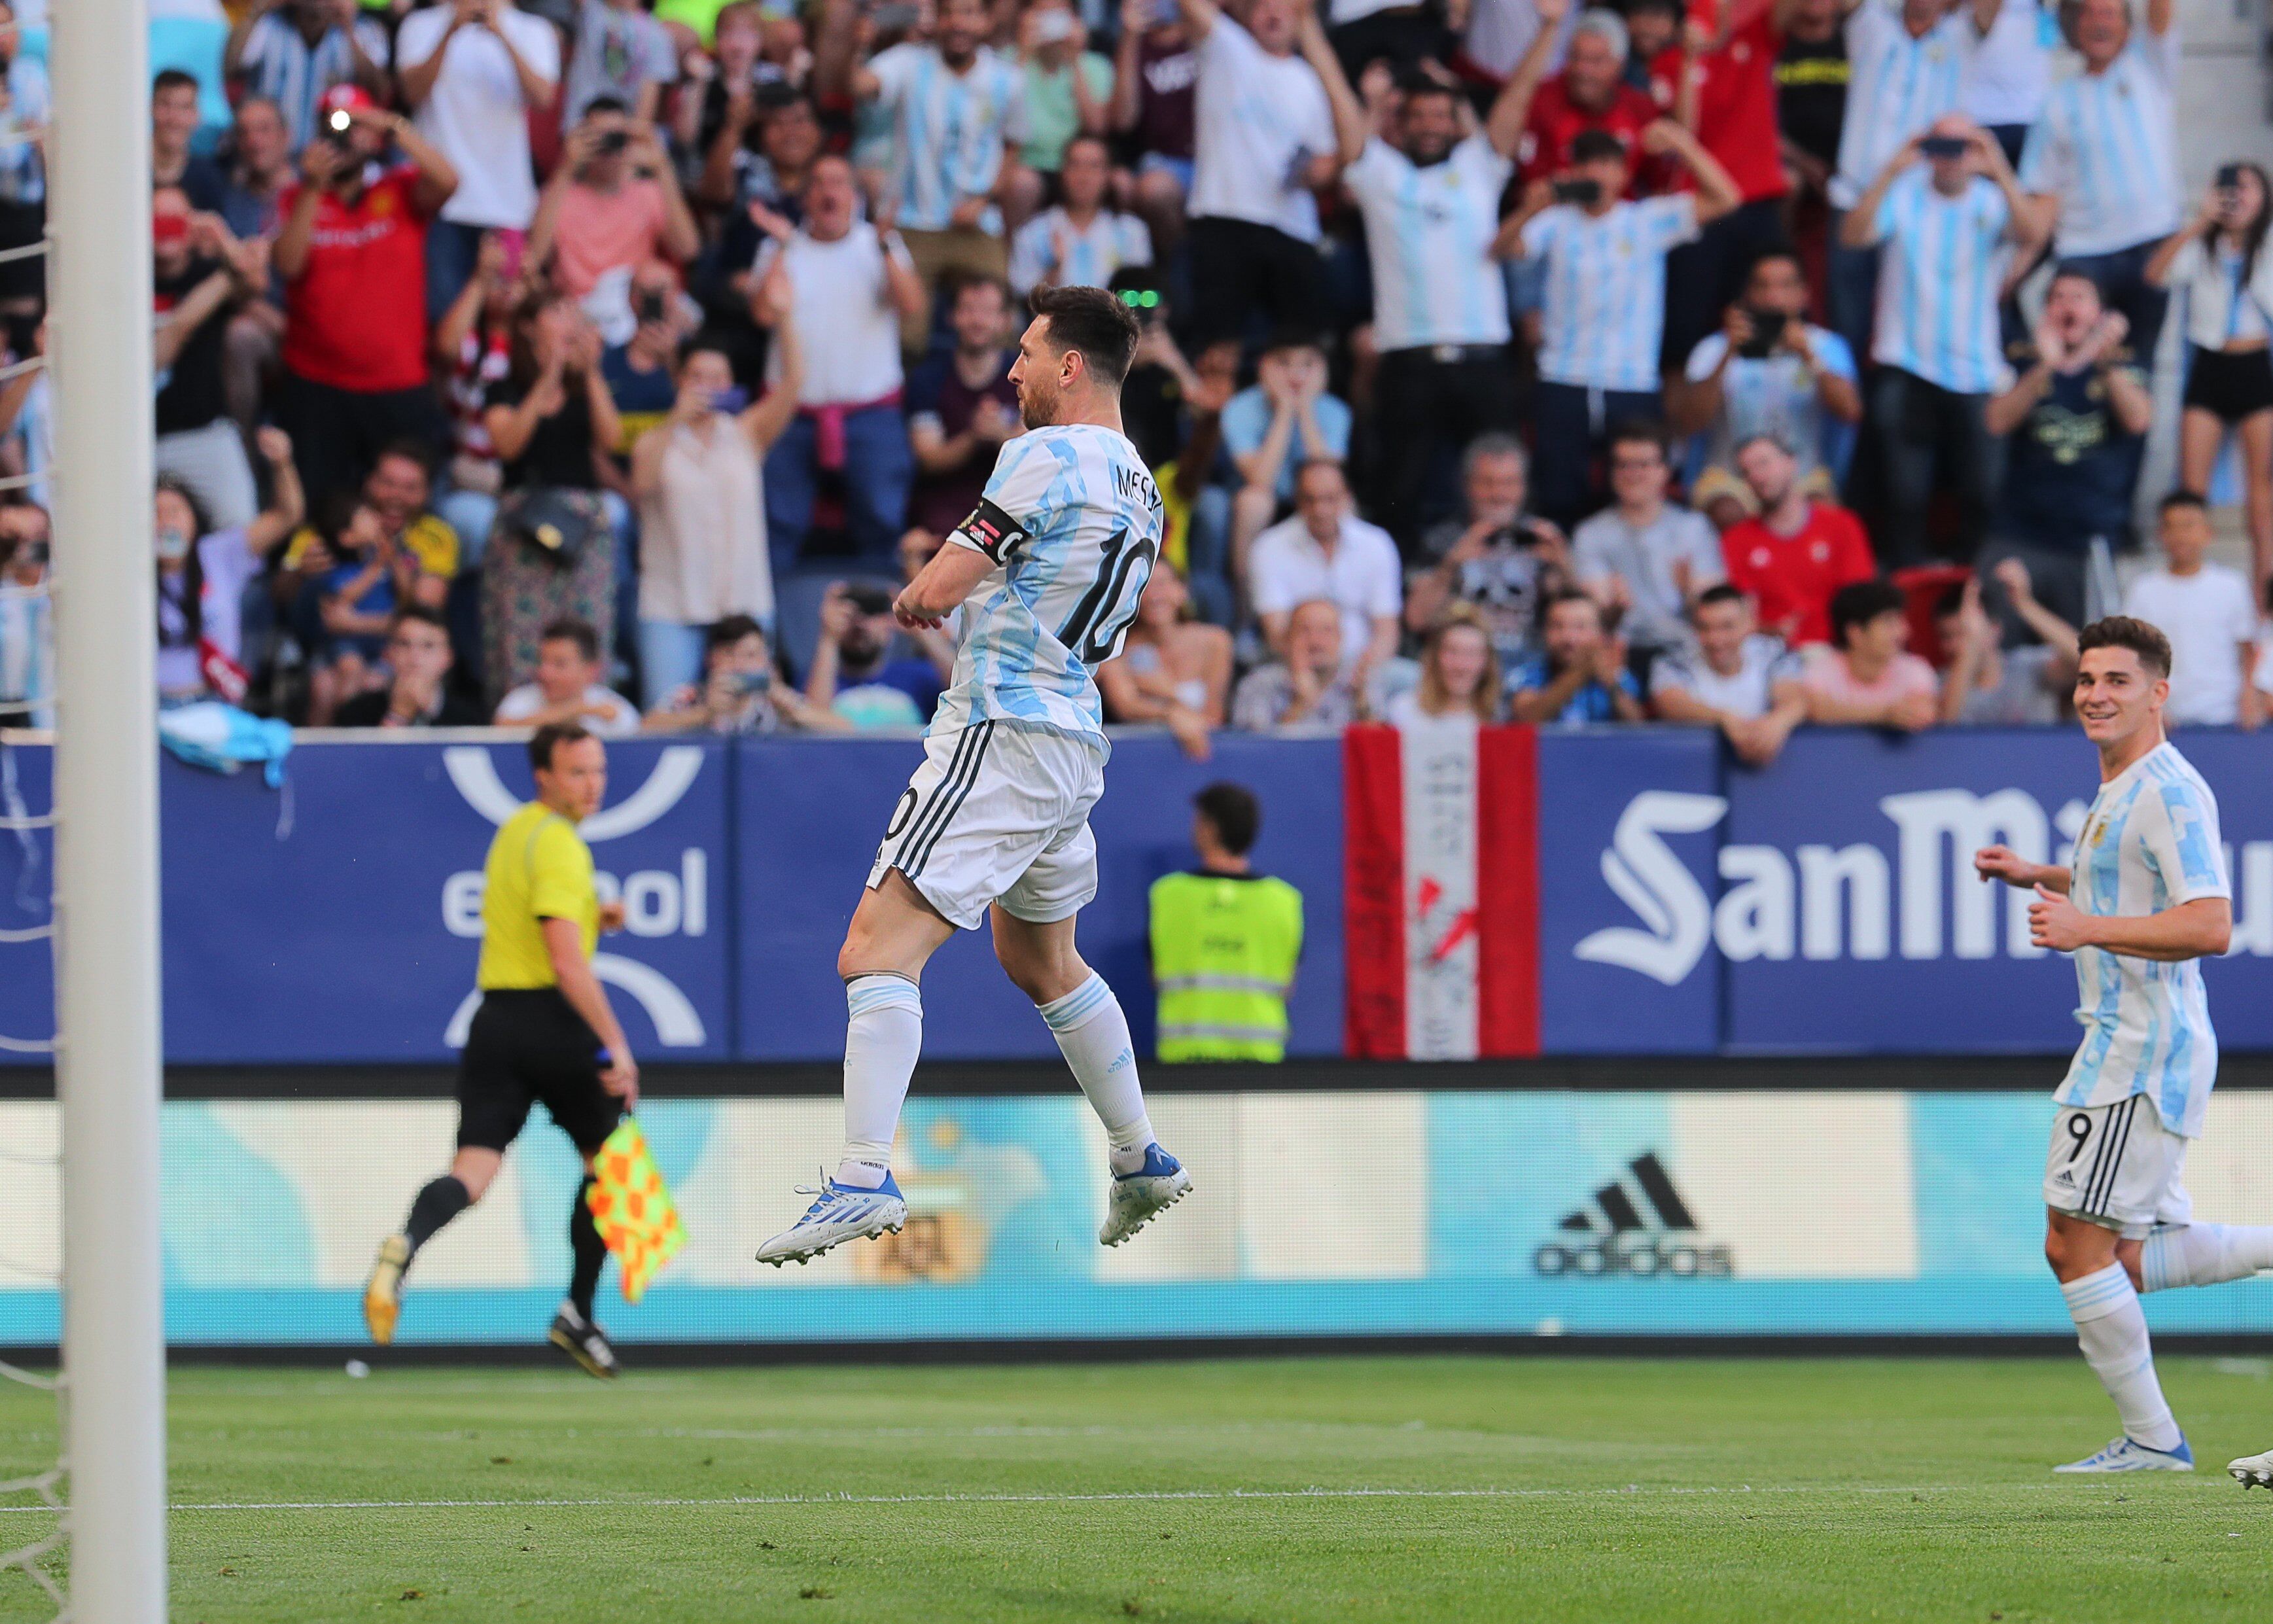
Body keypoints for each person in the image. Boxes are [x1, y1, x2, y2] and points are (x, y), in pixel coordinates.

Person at [752, 285, 1191, 1267]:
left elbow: (940, 589)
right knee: (1041, 961)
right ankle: (1138, 1153)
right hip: (1074, 736)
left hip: (1003, 727)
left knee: (873, 951)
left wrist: (913, 591)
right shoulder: (1140, 483)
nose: (1013, 370)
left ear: (1070, 366)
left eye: (1028, 352)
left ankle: (862, 1176)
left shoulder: (1042, 455)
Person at [1972, 616, 2273, 1476]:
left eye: (2117, 680)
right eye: (2086, 679)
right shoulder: (2123, 784)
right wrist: (2039, 874)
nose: (2096, 695)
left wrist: (2081, 927)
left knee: (2074, 1245)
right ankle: (2153, 1439)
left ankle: (2152, 1441)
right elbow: (2121, 882)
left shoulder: (2168, 791)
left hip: (2140, 1048)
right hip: (2135, 1043)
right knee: (2121, 1254)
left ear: (2158, 692)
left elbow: (2211, 922)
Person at [362, 722, 640, 1378]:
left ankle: (406, 1243)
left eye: (598, 770)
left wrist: (598, 916)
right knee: (614, 1169)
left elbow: (536, 917)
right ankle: (578, 1312)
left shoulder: (517, 831)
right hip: (553, 1021)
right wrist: (617, 1046)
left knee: (473, 1173)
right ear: (543, 775)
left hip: (495, 1022)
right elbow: (566, 963)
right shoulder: (563, 846)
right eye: (578, 772)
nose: (593, 784)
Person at [1320, 55, 1531, 546]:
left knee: (1501, 487)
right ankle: (1397, 605)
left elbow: (1517, 99)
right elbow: (1343, 112)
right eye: (1419, 115)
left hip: (1482, 359)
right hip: (1409, 362)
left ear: (1458, 121)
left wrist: (1546, 30)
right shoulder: (1381, 175)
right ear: (1401, 122)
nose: (1431, 125)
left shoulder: (1479, 167)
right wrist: (1312, 32)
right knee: (1398, 492)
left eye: (1442, 114)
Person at [1503, 121, 1740, 524]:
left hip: (1632, 381)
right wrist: (1528, 208)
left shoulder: (1647, 220)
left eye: (1607, 165)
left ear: (1624, 173)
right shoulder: (1555, 222)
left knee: (1637, 496)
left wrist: (1682, 143)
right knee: (1559, 495)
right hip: (1563, 377)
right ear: (1573, 172)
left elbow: (1727, 198)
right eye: (1587, 165)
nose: (1596, 174)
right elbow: (1504, 249)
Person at [1841, 115, 2035, 565]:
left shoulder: (1990, 198)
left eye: (1962, 146)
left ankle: (1970, 585)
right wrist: (1892, 168)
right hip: (1907, 363)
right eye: (1942, 145)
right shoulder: (1904, 193)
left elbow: (2031, 235)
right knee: (1904, 494)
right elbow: (1852, 236)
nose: (1951, 157)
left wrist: (1998, 166)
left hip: (1978, 370)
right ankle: (1910, 584)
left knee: (1985, 489)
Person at [273, 84, 459, 510]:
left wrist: (391, 126)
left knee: (407, 507)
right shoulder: (294, 197)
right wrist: (313, 188)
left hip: (397, 384)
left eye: (354, 125)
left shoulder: (400, 189)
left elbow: (449, 180)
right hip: (317, 387)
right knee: (320, 508)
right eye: (333, 124)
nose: (343, 135)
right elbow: (287, 265)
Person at [752, 156, 926, 571]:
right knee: (776, 528)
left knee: (883, 522)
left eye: (838, 183)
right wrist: (780, 245)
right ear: (806, 197)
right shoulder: (778, 244)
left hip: (870, 413)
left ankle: (888, 625)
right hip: (790, 415)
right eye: (818, 184)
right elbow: (762, 314)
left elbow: (912, 305)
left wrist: (885, 245)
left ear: (853, 195)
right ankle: (768, 630)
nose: (828, 192)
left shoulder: (879, 242)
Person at [821, 0, 1027, 350]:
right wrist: (860, 43)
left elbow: (1013, 146)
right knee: (905, 338)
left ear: (987, 21)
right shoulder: (909, 61)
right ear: (937, 20)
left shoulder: (1008, 80)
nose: (958, 22)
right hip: (911, 222)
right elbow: (856, 85)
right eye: (949, 13)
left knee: (1004, 331)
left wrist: (985, 200)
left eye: (970, 12)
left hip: (976, 225)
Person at [629, 332, 802, 702]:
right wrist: (676, 418)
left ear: (731, 384)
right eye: (697, 377)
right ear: (680, 381)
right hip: (672, 603)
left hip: (744, 598)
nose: (707, 387)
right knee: (666, 713)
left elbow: (793, 385)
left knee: (752, 713)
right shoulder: (654, 439)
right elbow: (641, 485)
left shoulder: (746, 432)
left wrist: (785, 319)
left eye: (717, 378)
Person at [1981, 265, 2151, 635]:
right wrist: (2045, 366)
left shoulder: (2121, 362)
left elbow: (2139, 420)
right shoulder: (2023, 362)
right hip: (2020, 533)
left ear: (2099, 313)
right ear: (2044, 313)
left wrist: (2104, 363)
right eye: (2057, 298)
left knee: (2091, 656)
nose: (2067, 307)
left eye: (2078, 297)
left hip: (2091, 541)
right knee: (1993, 639)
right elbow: (1996, 422)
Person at [1824, 0, 1992, 370]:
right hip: (1856, 196)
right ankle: (1852, 421)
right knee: (1847, 325)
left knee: (1911, 327)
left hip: (1922, 203)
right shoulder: (1869, 21)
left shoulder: (1960, 33)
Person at [480, 292, 624, 703]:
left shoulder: (586, 387)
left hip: (583, 523)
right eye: (558, 310)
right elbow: (508, 445)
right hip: (524, 520)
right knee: (520, 633)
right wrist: (548, 376)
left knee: (588, 625)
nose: (570, 322)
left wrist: (591, 372)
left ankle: (589, 715)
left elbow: (611, 440)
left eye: (575, 314)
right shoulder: (504, 387)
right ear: (528, 325)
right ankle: (520, 717)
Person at [2017, 0, 2177, 365]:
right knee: (2076, 373)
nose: (2099, 22)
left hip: (2151, 250)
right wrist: (2016, 269)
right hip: (2085, 257)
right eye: (2088, 12)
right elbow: (2044, 195)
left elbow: (2162, 11)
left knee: (2139, 373)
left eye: (2110, 13)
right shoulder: (2055, 102)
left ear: (2127, 25)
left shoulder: (2150, 65)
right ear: (2072, 25)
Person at [1172, 0, 1341, 345]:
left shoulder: (1310, 80)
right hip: (1224, 216)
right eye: (1263, 5)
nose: (1274, 12)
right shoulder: (1226, 45)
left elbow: (1327, 160)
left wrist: (1314, 174)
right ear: (1247, 13)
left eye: (1285, 7)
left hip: (1294, 227)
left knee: (1302, 347)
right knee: (1218, 348)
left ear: (1301, 20)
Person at [1669, 244, 1861, 529]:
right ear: (1748, 294)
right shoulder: (1713, 348)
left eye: (1786, 286)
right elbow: (1690, 422)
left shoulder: (1826, 347)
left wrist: (1808, 356)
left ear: (1805, 294)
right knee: (1727, 513)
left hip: (1803, 476)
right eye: (1763, 286)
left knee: (1822, 514)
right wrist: (1728, 354)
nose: (1774, 297)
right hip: (1729, 478)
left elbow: (1850, 412)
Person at [2147, 167, 2273, 591]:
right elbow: (2155, 274)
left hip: (2256, 366)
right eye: (2228, 189)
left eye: (2246, 188)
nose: (2236, 198)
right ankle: (2187, 582)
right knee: (2191, 489)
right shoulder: (2202, 245)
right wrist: (2202, 220)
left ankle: (2264, 601)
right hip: (2210, 366)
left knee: (2261, 497)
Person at [396, 0, 563, 321]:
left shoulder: (533, 30)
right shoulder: (422, 24)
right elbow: (412, 92)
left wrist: (502, 35)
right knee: (440, 324)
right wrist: (451, 30)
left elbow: (543, 98)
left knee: (500, 327)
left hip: (506, 206)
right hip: (440, 204)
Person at [1149, 781, 1303, 1062]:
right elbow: (1289, 983)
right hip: (1262, 1061)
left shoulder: (1168, 896)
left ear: (1209, 827)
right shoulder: (1285, 901)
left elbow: (1156, 975)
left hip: (1183, 1063)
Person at [154, 431, 302, 708]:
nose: (166, 522)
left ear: (195, 520)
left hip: (214, 703)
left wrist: (282, 463)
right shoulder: (126, 570)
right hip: (150, 710)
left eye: (175, 511)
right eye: (156, 513)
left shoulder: (218, 553)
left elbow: (287, 515)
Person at [151, 185, 266, 532]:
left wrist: (221, 235)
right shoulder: (122, 278)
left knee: (239, 525)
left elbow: (253, 281)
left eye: (176, 220)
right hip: (135, 435)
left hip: (202, 434)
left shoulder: (209, 271)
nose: (167, 228)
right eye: (158, 220)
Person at [1403, 433, 1570, 669]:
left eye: (1509, 483)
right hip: (1460, 667)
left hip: (1531, 669)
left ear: (1524, 487)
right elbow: (1416, 620)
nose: (1498, 494)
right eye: (1487, 483)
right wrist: (1450, 566)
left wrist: (1565, 566)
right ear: (1467, 485)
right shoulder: (1442, 540)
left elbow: (1576, 620)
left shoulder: (1542, 539)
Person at [1570, 420, 1723, 657]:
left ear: (1665, 471)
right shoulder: (1590, 534)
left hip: (1684, 652)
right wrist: (1616, 609)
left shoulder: (1694, 528)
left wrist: (1690, 594)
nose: (1633, 475)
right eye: (1623, 465)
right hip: (1617, 652)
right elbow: (1596, 616)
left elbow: (1714, 610)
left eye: (1644, 465)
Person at [525, 101, 701, 305]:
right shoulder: (560, 192)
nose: (609, 149)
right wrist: (566, 167)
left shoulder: (648, 191)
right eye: (599, 138)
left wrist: (662, 167)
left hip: (634, 306)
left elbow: (688, 249)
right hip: (579, 312)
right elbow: (535, 258)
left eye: (617, 138)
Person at [1716, 432, 1873, 646]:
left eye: (1764, 463)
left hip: (1835, 650)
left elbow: (1860, 600)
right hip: (1769, 654)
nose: (1757, 476)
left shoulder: (1842, 525)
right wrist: (1768, 631)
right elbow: (1741, 617)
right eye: (1747, 471)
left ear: (1791, 463)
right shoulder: (1736, 540)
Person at [2121, 492, 2260, 731]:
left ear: (2208, 533)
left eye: (2188, 526)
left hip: (2224, 714)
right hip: (2165, 717)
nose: (2180, 536)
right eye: (2171, 527)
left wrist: (2249, 696)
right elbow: (2133, 656)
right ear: (2160, 534)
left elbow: (2246, 648)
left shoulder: (2231, 585)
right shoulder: (2144, 590)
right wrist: (2150, 705)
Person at [1246, 459, 1400, 675]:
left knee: (1408, 678)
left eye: (1330, 498)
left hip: (1364, 667)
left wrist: (1363, 670)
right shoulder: (1269, 546)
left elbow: (1386, 630)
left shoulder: (1377, 543)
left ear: (1347, 497)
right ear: (1297, 500)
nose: (1320, 509)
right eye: (1310, 499)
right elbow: (1276, 633)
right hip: (1294, 666)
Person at [906, 275, 1022, 536]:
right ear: (952, 317)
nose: (978, 321)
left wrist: (999, 435)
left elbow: (1038, 450)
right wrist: (974, 436)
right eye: (968, 310)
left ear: (1005, 321)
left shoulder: (1027, 375)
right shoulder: (928, 378)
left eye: (988, 312)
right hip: (944, 504)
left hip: (1012, 502)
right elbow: (929, 458)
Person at [1649, 582, 1807, 764]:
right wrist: (1724, 719)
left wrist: (1778, 723)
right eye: (1705, 627)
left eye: (1727, 627)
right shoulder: (1675, 661)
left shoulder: (1773, 654)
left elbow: (1795, 698)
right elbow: (1670, 703)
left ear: (1749, 624)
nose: (1716, 639)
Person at [1097, 564, 1232, 758]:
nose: (1155, 596)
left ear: (1182, 591)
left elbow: (1214, 717)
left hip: (1205, 753)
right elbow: (1126, 706)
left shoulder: (1215, 642)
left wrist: (1168, 695)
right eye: (1145, 587)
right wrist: (1170, 713)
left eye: (1162, 584)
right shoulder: (1117, 650)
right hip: (1145, 757)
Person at [224, 0, 392, 154]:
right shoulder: (269, 23)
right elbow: (231, 66)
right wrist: (261, 6)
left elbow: (380, 92)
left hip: (331, 156)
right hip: (271, 159)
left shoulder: (363, 28)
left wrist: (348, 27)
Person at [644, 612, 843, 733]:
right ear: (710, 660)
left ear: (766, 662)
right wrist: (705, 714)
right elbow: (641, 731)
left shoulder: (778, 701)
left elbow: (846, 729)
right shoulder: (690, 697)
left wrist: (796, 713)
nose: (740, 665)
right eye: (730, 654)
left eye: (751, 655)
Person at [1006, 133, 1152, 297]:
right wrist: (1054, 269)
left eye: (1094, 166)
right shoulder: (1033, 232)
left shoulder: (1132, 231)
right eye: (1075, 165)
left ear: (1108, 175)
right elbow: (1023, 301)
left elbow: (1140, 294)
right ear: (1062, 172)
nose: (1084, 176)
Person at [1109, 0, 1197, 256]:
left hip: (1216, 158)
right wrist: (1129, 37)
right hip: (1164, 161)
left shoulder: (1204, 33)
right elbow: (1123, 120)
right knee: (1154, 190)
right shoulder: (1137, 47)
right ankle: (1180, 264)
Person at [1935, 564, 2073, 726]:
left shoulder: (2028, 666)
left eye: (1962, 633)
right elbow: (1943, 729)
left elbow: (2083, 660)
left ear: (1995, 630)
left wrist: (2024, 604)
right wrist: (1971, 645)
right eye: (1946, 636)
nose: (1954, 645)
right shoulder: (1941, 684)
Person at [1229, 594, 1393, 730]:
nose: (1316, 642)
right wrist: (1299, 706)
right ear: (1287, 639)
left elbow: (1380, 754)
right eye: (1304, 631)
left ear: (1340, 638)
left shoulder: (1361, 681)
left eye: (1326, 631)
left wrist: (1362, 704)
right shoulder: (1259, 684)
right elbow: (1255, 753)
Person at [1795, 575, 1938, 730]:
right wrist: (1884, 714)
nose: (1903, 632)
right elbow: (1816, 710)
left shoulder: (1915, 669)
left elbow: (1924, 712)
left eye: (1901, 621)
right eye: (1889, 622)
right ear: (1855, 633)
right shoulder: (1820, 669)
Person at [334, 605, 489, 727]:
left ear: (447, 658)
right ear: (388, 654)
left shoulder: (471, 719)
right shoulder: (355, 713)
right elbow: (363, 767)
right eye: (404, 644)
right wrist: (397, 715)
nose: (415, 658)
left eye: (428, 646)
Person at [1509, 588, 1644, 722]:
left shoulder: (1619, 676)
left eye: (1580, 627)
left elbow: (1637, 727)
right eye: (1558, 626)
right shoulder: (1529, 675)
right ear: (1544, 632)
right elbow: (1525, 720)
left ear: (1600, 633)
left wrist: (1610, 682)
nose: (1569, 638)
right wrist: (1581, 673)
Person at [493, 617, 641, 734]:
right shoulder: (519, 701)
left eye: (559, 664)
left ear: (591, 670)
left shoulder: (615, 709)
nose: (545, 673)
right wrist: (576, 709)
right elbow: (502, 732)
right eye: (542, 661)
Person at [563, 0, 680, 125]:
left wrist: (633, 136)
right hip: (579, 127)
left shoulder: (659, 36)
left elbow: (646, 109)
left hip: (624, 132)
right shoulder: (592, 10)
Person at [1384, 605, 1504, 726]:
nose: (1461, 666)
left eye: (1471, 654)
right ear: (1435, 657)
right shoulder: (1403, 711)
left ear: (1487, 662)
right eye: (1452, 652)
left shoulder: (1498, 720)